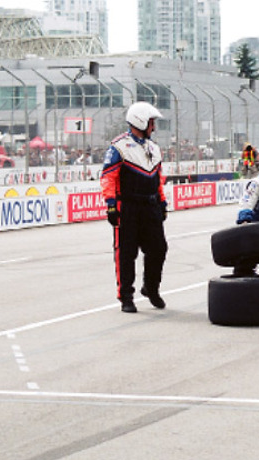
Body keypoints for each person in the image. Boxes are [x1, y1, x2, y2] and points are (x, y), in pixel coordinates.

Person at [101, 101, 168, 313]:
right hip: (128, 206)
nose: (154, 127)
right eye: (151, 123)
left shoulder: (154, 148)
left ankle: (151, 287)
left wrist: (162, 201)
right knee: (126, 253)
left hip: (150, 205)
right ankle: (126, 297)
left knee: (159, 248)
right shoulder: (119, 147)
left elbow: (159, 178)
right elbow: (108, 177)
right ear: (140, 121)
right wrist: (111, 204)